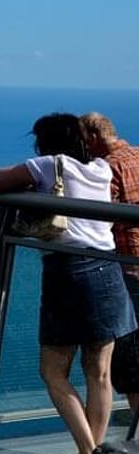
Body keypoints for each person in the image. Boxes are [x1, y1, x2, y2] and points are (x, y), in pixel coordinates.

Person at [0, 113, 136, 454]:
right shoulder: (100, 167)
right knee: (99, 372)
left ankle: (87, 452)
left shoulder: (50, 165)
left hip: (68, 274)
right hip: (108, 270)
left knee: (52, 370)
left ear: (44, 142)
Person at [81, 112, 139, 410]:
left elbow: (99, 217)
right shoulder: (138, 156)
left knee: (131, 355)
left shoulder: (106, 168)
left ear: (92, 136)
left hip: (128, 268)